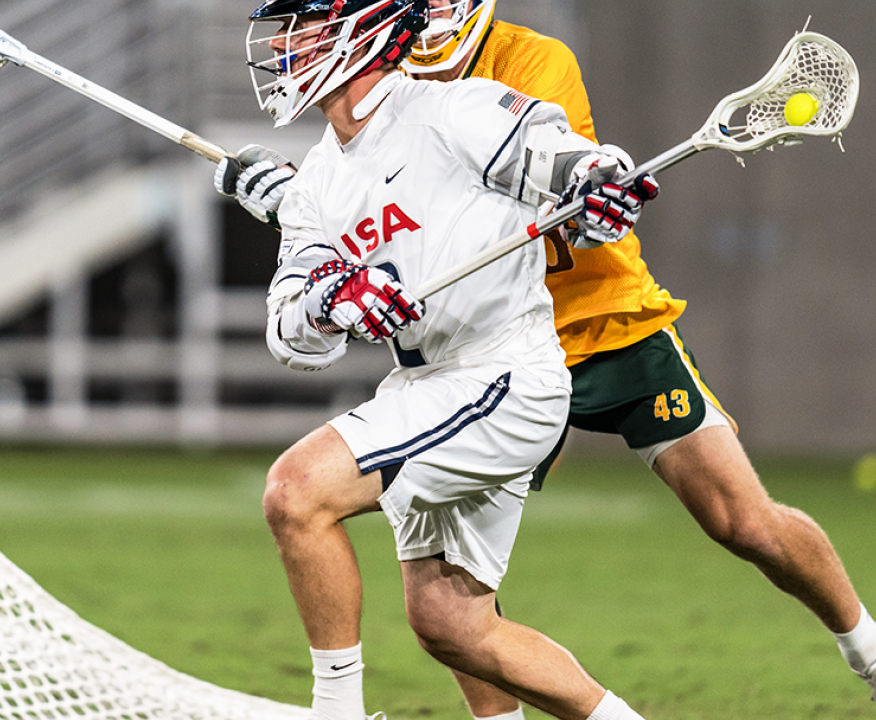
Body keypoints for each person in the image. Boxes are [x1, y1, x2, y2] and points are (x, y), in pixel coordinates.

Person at [218, 2, 876, 720]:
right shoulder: (359, 119)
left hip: (596, 324)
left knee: (741, 520)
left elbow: (543, 172)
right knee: (451, 610)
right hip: (467, 358)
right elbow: (365, 229)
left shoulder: (502, 77)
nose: (293, 46)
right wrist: (316, 241)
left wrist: (593, 179)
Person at [220, 1, 662, 719]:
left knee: (295, 493)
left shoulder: (456, 111)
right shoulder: (320, 183)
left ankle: (334, 712)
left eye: (302, 22)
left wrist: (600, 181)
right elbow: (289, 333)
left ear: (362, 30)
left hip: (504, 377)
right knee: (453, 626)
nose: (279, 42)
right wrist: (335, 300)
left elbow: (563, 159)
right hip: (429, 381)